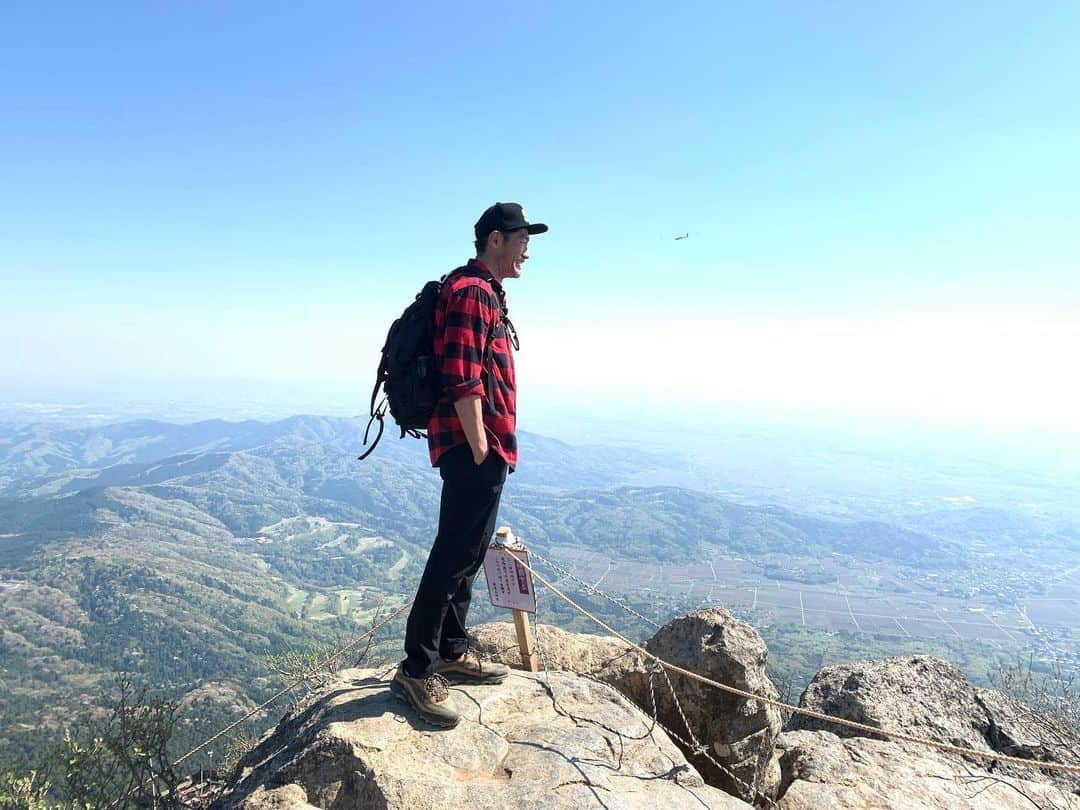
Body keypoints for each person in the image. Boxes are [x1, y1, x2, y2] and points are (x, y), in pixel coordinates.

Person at [391, 202, 548, 727]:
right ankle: (417, 667)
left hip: (483, 447)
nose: (528, 247)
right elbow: (462, 377)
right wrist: (482, 451)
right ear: (496, 239)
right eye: (523, 237)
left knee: (471, 550)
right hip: (471, 447)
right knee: (454, 552)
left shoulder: (483, 292)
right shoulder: (472, 293)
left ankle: (452, 649)